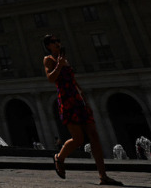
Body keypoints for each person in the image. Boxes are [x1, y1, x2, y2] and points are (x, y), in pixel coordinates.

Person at [43, 34, 122, 186]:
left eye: (58, 40)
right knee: (78, 139)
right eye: (54, 42)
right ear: (48, 46)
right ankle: (59, 157)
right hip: (66, 100)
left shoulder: (65, 59)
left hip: (77, 99)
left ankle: (103, 176)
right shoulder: (49, 60)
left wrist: (83, 95)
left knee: (94, 136)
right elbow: (51, 79)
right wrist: (59, 65)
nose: (58, 43)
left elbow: (72, 79)